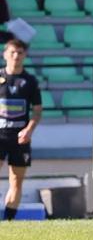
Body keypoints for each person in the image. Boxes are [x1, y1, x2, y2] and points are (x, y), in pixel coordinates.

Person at [0, 39, 41, 221]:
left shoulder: (30, 81)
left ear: (25, 55)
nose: (16, 56)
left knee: (16, 180)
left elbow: (37, 111)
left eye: (20, 53)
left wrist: (29, 130)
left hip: (20, 139)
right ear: (5, 54)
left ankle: (8, 221)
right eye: (12, 52)